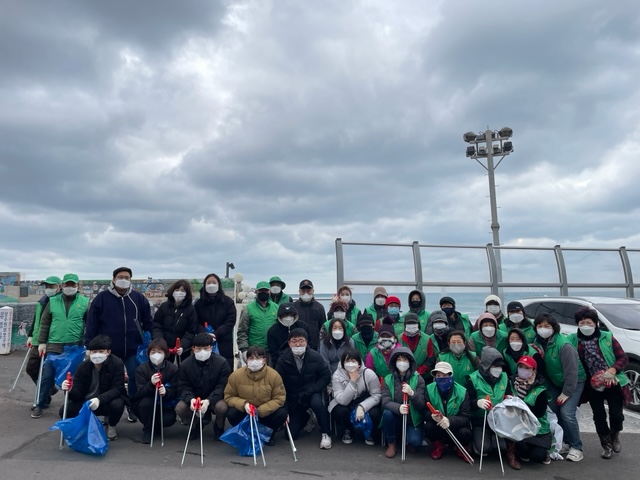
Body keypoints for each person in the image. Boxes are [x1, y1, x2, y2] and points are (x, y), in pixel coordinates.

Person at [84, 266, 153, 422]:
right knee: (109, 380)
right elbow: (92, 323)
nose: (124, 280)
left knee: (135, 378)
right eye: (120, 277)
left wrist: (149, 340)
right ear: (113, 279)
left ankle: (132, 406)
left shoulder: (138, 298)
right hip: (108, 350)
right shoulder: (101, 298)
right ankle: (108, 411)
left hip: (133, 348)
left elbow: (148, 321)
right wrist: (89, 345)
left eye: (127, 278)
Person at [570, 307, 629, 459]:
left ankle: (614, 434)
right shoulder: (574, 340)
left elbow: (623, 358)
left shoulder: (607, 337)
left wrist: (613, 370)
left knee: (616, 415)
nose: (585, 326)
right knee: (598, 416)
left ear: (595, 323)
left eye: (589, 322)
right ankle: (606, 444)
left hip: (612, 382)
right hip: (592, 385)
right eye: (582, 323)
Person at [34, 273, 89, 419]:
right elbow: (45, 323)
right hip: (54, 344)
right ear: (62, 285)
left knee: (73, 378)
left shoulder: (84, 302)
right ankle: (40, 404)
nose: (69, 287)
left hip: (75, 346)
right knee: (47, 376)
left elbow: (89, 324)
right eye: (67, 284)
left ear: (77, 286)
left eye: (73, 285)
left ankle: (71, 406)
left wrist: (88, 344)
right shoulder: (53, 301)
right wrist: (42, 342)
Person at [533, 312, 585, 462]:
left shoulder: (564, 345)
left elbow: (572, 372)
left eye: (547, 326)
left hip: (574, 381)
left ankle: (576, 446)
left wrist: (567, 392)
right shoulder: (539, 343)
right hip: (555, 381)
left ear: (554, 328)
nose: (543, 329)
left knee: (567, 412)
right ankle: (565, 441)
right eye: (540, 326)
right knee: (554, 410)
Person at [59, 335, 127, 440]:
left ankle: (111, 425)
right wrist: (69, 389)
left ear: (108, 352)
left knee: (117, 405)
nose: (97, 355)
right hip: (86, 402)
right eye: (94, 352)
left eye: (101, 351)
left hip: (106, 401)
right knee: (65, 410)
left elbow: (117, 389)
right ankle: (83, 426)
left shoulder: (117, 364)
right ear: (89, 352)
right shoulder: (83, 367)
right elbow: (77, 394)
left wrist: (99, 399)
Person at [275, 329, 332, 449]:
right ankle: (306, 417)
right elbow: (278, 383)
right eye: (294, 341)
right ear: (289, 343)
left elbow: (326, 376)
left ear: (306, 342)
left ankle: (325, 433)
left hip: (311, 392)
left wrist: (314, 388)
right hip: (294, 397)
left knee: (317, 404)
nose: (298, 344)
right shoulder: (283, 360)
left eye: (301, 341)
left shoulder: (315, 357)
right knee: (290, 435)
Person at [224, 346, 288, 446]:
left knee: (281, 413)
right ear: (246, 360)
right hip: (246, 411)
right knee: (231, 413)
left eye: (258, 358)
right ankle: (246, 434)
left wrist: (262, 410)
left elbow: (279, 398)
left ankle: (267, 435)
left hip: (265, 412)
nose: (254, 361)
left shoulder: (274, 375)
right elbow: (229, 396)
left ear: (264, 360)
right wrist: (244, 405)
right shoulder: (236, 375)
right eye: (251, 358)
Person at [175, 333, 231, 440]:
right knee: (180, 408)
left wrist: (209, 401)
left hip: (215, 398)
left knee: (222, 407)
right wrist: (190, 399)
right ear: (193, 348)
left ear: (211, 348)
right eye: (199, 348)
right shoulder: (185, 365)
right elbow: (183, 386)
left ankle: (219, 427)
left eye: (205, 348)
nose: (202, 352)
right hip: (195, 398)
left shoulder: (222, 363)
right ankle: (195, 425)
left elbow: (222, 386)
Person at [507, 355, 552, 469]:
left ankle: (545, 453)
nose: (523, 370)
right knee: (523, 452)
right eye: (521, 367)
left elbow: (539, 413)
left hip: (538, 430)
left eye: (527, 368)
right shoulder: (511, 384)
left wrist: (520, 405)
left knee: (537, 456)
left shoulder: (540, 390)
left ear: (534, 370)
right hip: (519, 428)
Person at [329, 348, 381, 446]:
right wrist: (352, 382)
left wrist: (362, 406)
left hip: (364, 401)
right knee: (339, 411)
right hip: (346, 402)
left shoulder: (369, 373)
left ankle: (369, 432)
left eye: (353, 361)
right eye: (347, 361)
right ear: (343, 362)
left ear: (359, 363)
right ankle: (348, 430)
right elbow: (341, 399)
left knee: (376, 412)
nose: (350, 364)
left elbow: (377, 395)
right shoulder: (337, 375)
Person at [131, 338, 180, 443]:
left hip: (164, 404)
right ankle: (148, 429)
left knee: (170, 418)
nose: (156, 355)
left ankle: (156, 426)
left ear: (165, 353)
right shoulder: (141, 369)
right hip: (145, 402)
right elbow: (140, 391)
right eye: (153, 352)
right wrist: (151, 384)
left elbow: (176, 390)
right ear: (148, 354)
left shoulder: (173, 369)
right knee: (146, 404)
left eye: (159, 352)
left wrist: (166, 392)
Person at [381, 347, 426, 458]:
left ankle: (408, 439)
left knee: (415, 442)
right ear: (394, 362)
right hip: (396, 416)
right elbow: (385, 401)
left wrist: (412, 394)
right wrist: (398, 408)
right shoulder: (388, 379)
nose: (402, 363)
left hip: (412, 418)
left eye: (405, 360)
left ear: (410, 362)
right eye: (399, 359)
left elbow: (421, 405)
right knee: (387, 414)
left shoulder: (419, 379)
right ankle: (391, 443)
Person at [466, 346, 511, 457]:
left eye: (500, 366)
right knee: (483, 448)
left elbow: (508, 394)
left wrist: (508, 398)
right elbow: (468, 403)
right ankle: (477, 440)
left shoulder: (504, 377)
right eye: (495, 366)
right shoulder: (473, 379)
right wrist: (478, 403)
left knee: (502, 447)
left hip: (500, 420)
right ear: (487, 365)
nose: (499, 369)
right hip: (481, 420)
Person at [424, 361, 472, 462]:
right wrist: (432, 416)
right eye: (439, 375)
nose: (442, 378)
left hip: (455, 426)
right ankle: (438, 446)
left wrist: (449, 420)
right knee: (428, 426)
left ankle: (460, 448)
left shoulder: (462, 392)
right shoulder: (429, 389)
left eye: (445, 375)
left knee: (465, 432)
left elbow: (466, 417)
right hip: (437, 424)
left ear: (451, 376)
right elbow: (424, 411)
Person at [193, 273, 237, 370]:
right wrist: (205, 335)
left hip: (224, 342)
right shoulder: (199, 304)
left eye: (214, 282)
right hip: (204, 343)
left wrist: (216, 334)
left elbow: (230, 321)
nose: (211, 285)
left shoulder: (228, 302)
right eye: (208, 283)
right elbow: (195, 322)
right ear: (204, 285)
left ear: (219, 285)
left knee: (224, 371)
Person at [25, 276, 60, 389]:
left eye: (52, 286)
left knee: (47, 371)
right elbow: (36, 319)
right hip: (37, 340)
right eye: (47, 286)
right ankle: (48, 389)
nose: (49, 288)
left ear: (59, 287)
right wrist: (30, 335)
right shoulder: (42, 301)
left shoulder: (61, 302)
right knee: (31, 368)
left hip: (52, 341)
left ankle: (43, 397)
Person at [152, 279, 197, 363]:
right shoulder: (164, 306)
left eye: (182, 290)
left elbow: (191, 331)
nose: (179, 292)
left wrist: (182, 346)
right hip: (164, 348)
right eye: (177, 290)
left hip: (182, 349)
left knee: (183, 370)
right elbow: (157, 325)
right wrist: (160, 341)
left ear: (187, 293)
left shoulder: (191, 309)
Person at [237, 281, 278, 358]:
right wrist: (244, 350)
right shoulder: (248, 308)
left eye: (266, 290)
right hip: (254, 352)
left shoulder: (276, 308)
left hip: (272, 351)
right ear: (256, 292)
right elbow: (242, 331)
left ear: (269, 292)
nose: (263, 292)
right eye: (261, 291)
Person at [267, 303, 311, 367]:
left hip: (303, 362)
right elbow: (274, 353)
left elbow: (309, 345)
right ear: (280, 316)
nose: (288, 317)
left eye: (291, 314)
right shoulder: (273, 331)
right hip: (282, 364)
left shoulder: (303, 327)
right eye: (285, 315)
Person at [293, 279, 326, 350]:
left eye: (308, 291)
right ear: (299, 292)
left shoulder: (319, 307)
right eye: (303, 291)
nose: (306, 293)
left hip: (315, 346)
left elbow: (323, 328)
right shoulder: (294, 307)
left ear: (313, 291)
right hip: (297, 345)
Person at [398, 313, 429, 379]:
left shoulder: (427, 339)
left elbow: (430, 358)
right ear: (405, 325)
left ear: (418, 325)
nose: (411, 326)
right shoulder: (399, 338)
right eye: (409, 324)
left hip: (422, 376)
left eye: (414, 323)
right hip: (402, 374)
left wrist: (419, 371)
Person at [426, 310, 452, 376]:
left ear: (446, 323)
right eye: (436, 322)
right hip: (436, 371)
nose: (438, 324)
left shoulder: (452, 336)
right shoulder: (429, 339)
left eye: (441, 322)